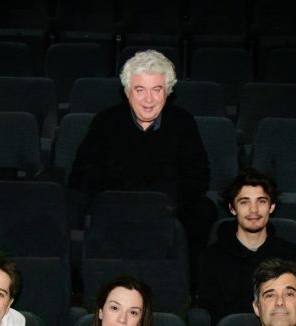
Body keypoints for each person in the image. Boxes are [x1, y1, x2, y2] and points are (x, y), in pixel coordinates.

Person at [68, 48, 215, 264]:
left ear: (168, 92)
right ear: (128, 92)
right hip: (118, 207)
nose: (149, 99)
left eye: (157, 90)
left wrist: (166, 203)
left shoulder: (183, 122)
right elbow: (83, 174)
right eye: (140, 90)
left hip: (168, 208)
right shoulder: (106, 122)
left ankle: (182, 281)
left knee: (203, 211)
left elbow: (199, 175)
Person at [195, 169, 296, 323]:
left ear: (271, 206)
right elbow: (210, 314)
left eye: (261, 201)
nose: (253, 210)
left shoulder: (293, 255)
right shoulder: (211, 258)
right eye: (244, 202)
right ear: (232, 208)